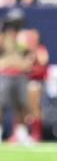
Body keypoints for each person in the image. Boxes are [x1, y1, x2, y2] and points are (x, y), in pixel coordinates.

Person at [0, 9, 34, 143]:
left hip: (20, 75)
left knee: (21, 106)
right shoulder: (3, 37)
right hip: (5, 74)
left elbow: (30, 55)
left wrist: (25, 63)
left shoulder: (24, 37)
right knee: (1, 105)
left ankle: (21, 133)